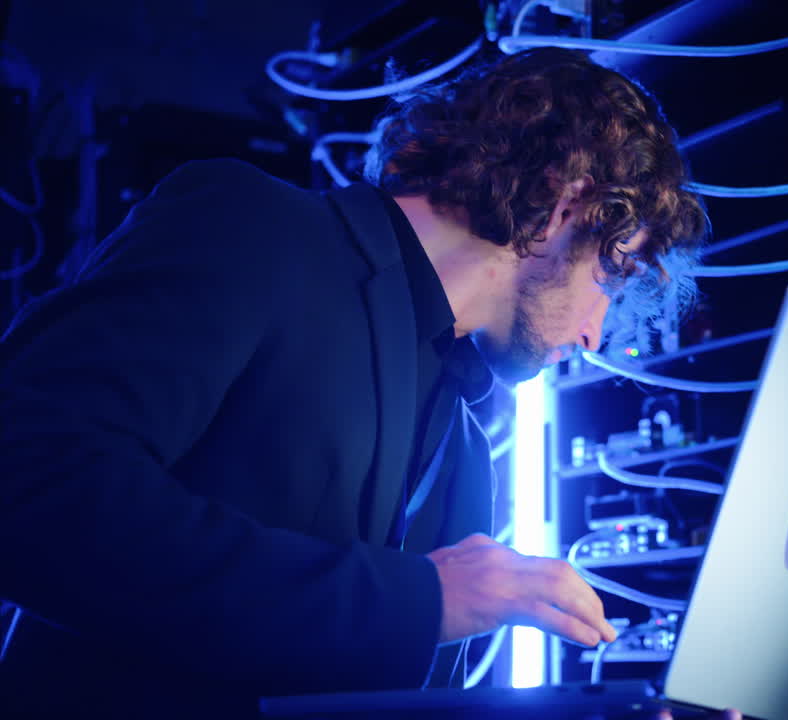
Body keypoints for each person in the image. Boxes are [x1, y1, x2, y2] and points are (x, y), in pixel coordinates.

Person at [0, 48, 739, 718]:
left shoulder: (465, 451)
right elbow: (26, 479)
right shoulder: (256, 226)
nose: (592, 333)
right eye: (608, 277)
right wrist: (422, 600)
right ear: (564, 208)